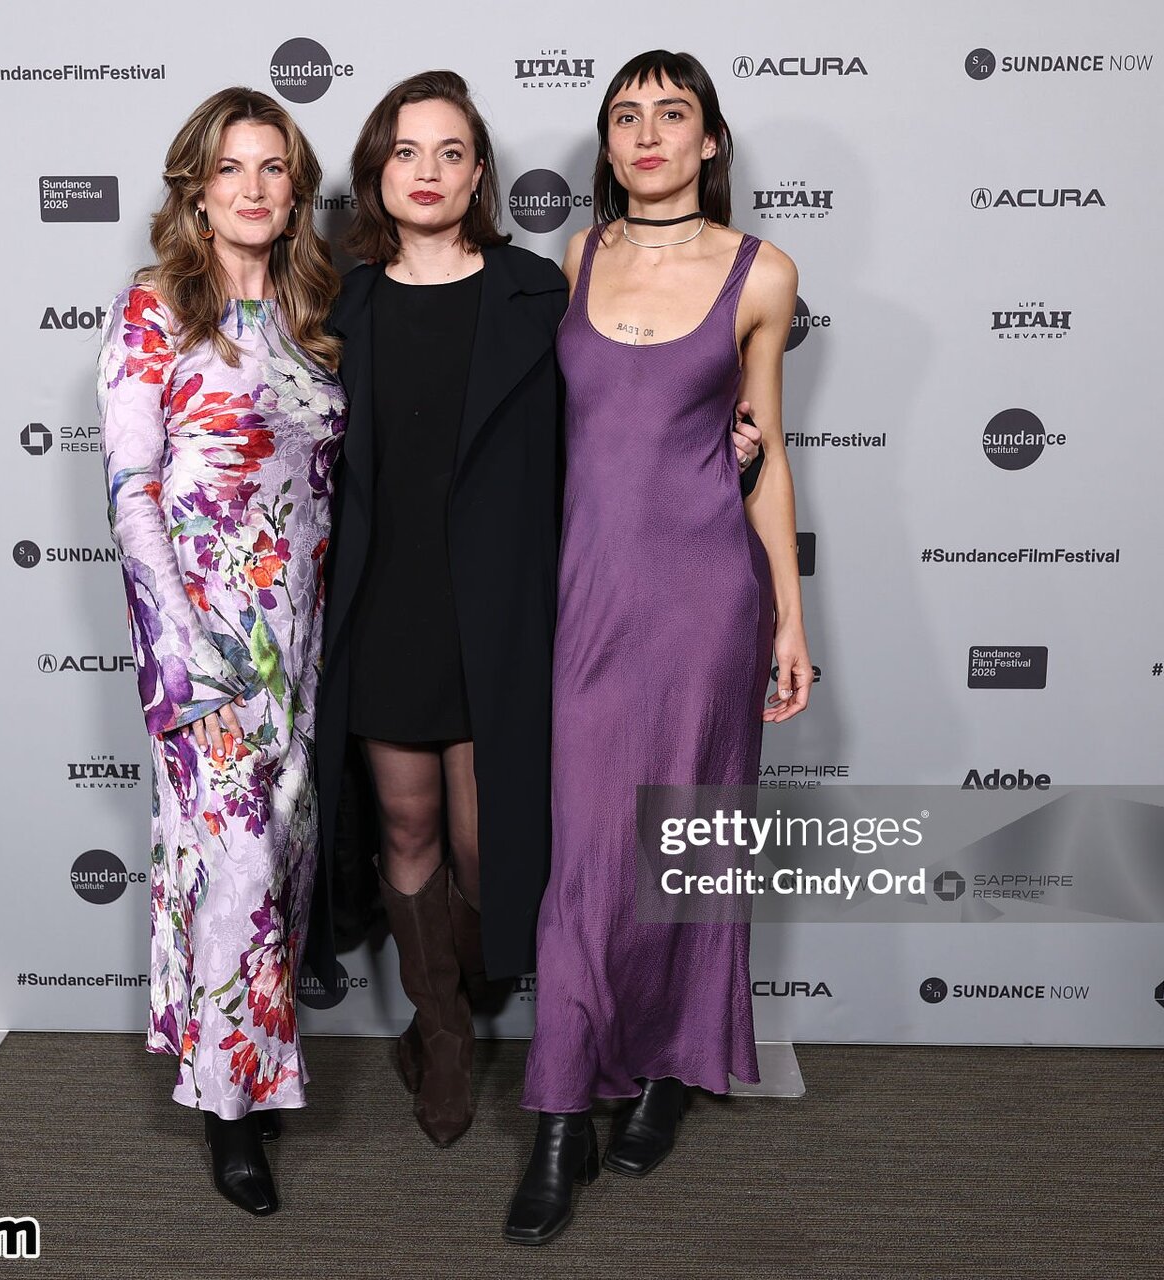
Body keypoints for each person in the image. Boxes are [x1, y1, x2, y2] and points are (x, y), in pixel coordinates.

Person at [503, 50, 813, 1246]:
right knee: (588, 857)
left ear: (709, 140)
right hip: (588, 595)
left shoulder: (762, 271)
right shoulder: (574, 259)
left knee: (682, 847)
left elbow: (767, 449)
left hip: (705, 596)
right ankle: (566, 1106)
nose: (647, 134)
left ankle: (664, 1071)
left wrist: (790, 616)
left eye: (670, 114)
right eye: (625, 116)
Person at [96, 86, 345, 1217]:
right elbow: (132, 491)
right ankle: (229, 1114)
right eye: (230, 168)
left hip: (301, 633)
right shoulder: (155, 308)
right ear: (196, 190)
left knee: (279, 862)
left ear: (296, 191)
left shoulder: (311, 310)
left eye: (273, 168)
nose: (252, 187)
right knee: (233, 866)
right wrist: (186, 656)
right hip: (202, 640)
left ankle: (243, 1058)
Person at [316, 69, 567, 1148]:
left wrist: (720, 452)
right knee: (407, 826)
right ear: (377, 171)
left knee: (482, 843)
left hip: (498, 609)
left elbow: (609, 429)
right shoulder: (342, 304)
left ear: (478, 175)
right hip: (386, 605)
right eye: (405, 151)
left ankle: (453, 994)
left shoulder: (535, 293)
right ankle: (445, 1035)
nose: (427, 171)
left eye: (450, 152)